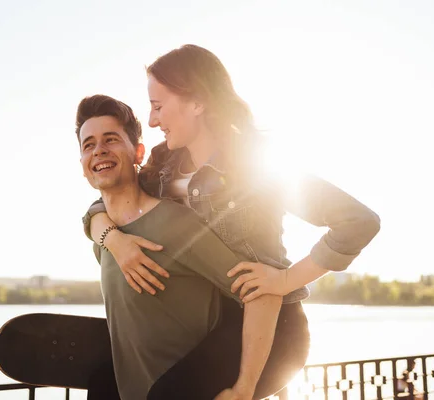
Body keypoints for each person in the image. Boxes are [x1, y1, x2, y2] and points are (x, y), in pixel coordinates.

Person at [84, 44, 381, 399]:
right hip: (217, 324)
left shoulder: (258, 167)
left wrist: (285, 279)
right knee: (106, 383)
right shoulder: (163, 167)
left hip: (277, 329)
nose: (152, 121)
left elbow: (359, 221)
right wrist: (111, 238)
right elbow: (104, 201)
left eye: (158, 106)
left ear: (197, 102)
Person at [76, 94, 282, 400]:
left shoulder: (175, 223)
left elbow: (259, 291)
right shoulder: (105, 239)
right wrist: (110, 236)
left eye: (111, 139)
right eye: (88, 145)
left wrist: (245, 388)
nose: (99, 150)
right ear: (82, 164)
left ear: (138, 152)